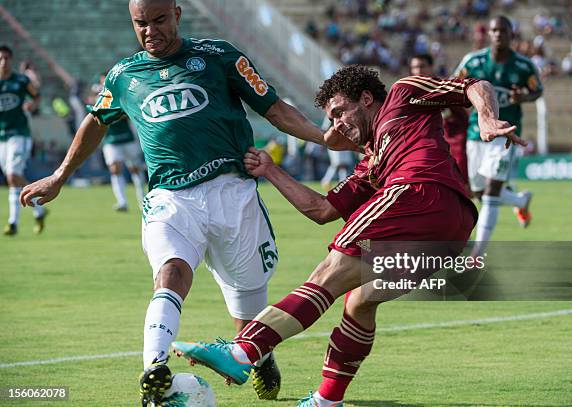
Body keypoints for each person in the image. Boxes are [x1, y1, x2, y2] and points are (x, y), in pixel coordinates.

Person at [19, 0, 352, 404]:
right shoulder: (124, 76)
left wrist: (324, 137)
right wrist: (59, 176)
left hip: (234, 193)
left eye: (158, 20)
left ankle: (260, 358)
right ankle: (154, 369)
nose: (150, 31)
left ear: (177, 14)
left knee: (247, 313)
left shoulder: (220, 56)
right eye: (140, 24)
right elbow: (95, 121)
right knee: (172, 272)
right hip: (170, 199)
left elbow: (274, 109)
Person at [171, 65, 524, 406]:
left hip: (419, 193)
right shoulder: (369, 164)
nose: (337, 124)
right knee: (360, 300)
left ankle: (243, 350)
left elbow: (474, 85)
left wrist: (487, 117)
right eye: (331, 119)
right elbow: (321, 210)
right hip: (452, 229)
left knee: (328, 273)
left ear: (367, 98)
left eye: (340, 112)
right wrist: (270, 170)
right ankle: (328, 398)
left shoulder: (402, 93)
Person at [454, 16, 543, 257]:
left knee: (492, 191)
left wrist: (523, 97)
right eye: (494, 30)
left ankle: (478, 254)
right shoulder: (473, 62)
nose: (498, 34)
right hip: (476, 133)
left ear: (511, 34)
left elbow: (537, 90)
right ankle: (519, 201)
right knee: (480, 192)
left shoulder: (524, 66)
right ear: (489, 34)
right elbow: (454, 84)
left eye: (503, 30)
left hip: (506, 136)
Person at [0, 45, 48, 236]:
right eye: (0, 58)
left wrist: (32, 105)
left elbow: (36, 96)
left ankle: (13, 222)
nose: (3, 62)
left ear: (11, 60)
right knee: (13, 180)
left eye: (6, 58)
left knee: (12, 175)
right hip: (1, 137)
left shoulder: (20, 80)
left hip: (19, 134)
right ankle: (39, 209)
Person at [410, 53, 470, 187]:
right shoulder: (411, 91)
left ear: (431, 67)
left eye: (422, 66)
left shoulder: (443, 87)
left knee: (463, 187)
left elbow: (464, 111)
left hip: (457, 141)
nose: (418, 71)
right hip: (432, 145)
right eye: (415, 68)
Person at [95, 72, 147, 211]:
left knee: (134, 169)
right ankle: (122, 202)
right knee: (114, 168)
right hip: (110, 139)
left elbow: (129, 113)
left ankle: (143, 200)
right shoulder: (99, 97)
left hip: (126, 137)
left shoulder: (122, 93)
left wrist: (116, 114)